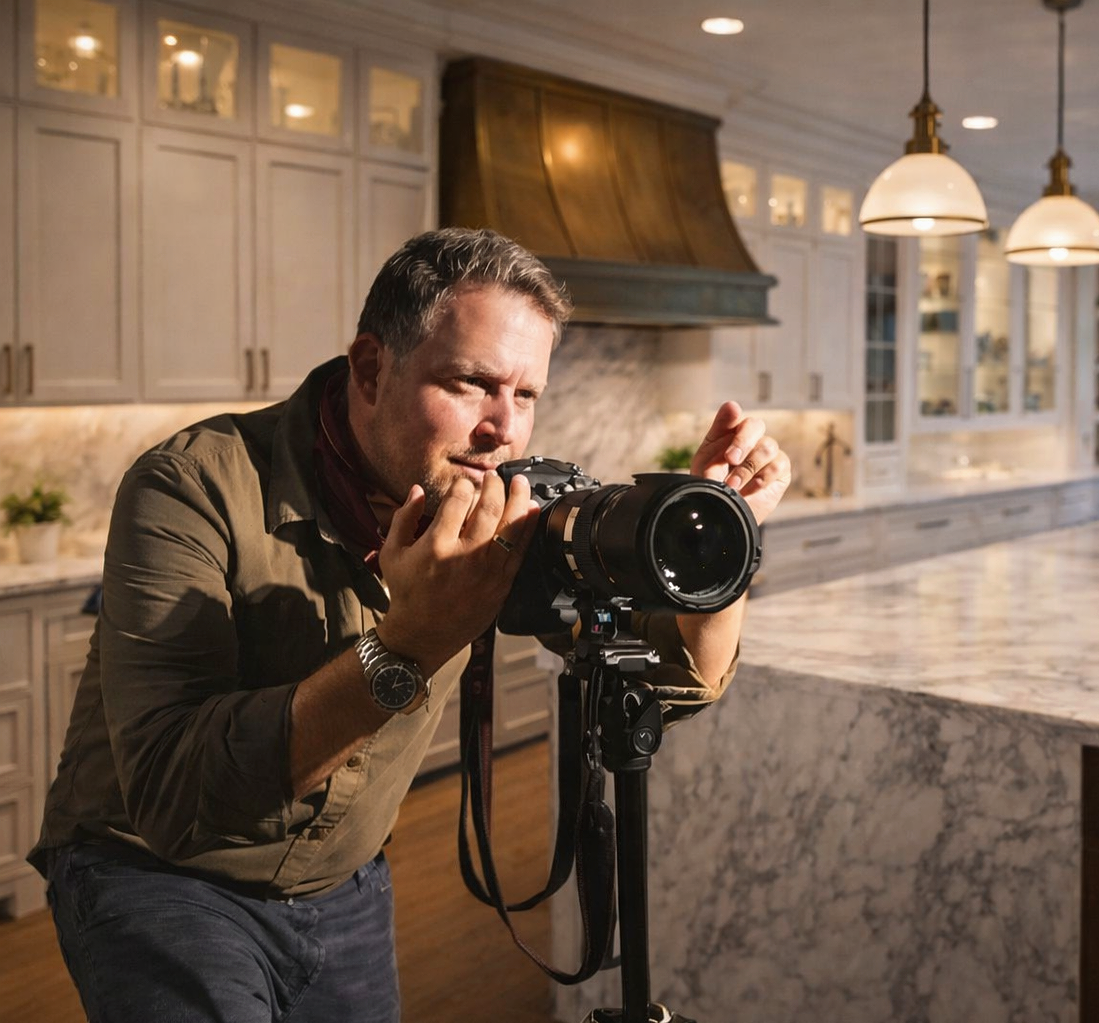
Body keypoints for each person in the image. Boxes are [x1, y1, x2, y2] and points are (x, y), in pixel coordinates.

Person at [28, 227, 792, 1023]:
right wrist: (412, 641)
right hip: (156, 871)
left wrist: (712, 533)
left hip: (344, 874)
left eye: (525, 395)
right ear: (370, 366)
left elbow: (667, 683)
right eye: (470, 383)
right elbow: (173, 792)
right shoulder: (191, 485)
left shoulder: (493, 497)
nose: (504, 430)